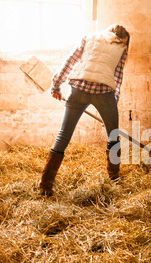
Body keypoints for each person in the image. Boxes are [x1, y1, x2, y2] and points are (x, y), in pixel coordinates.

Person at [39, 24, 130, 196]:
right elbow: (117, 79)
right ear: (122, 38)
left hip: (78, 88)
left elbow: (70, 61)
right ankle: (114, 180)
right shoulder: (122, 47)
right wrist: (110, 112)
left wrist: (56, 85)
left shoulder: (89, 37)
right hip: (104, 92)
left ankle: (45, 186)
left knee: (62, 136)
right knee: (113, 136)